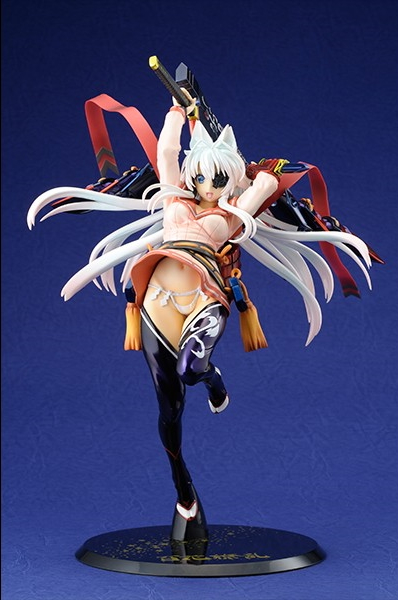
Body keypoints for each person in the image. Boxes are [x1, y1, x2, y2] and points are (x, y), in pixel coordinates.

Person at [27, 89, 375, 543]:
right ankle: (184, 493)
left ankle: (213, 380)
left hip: (204, 298)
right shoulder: (174, 198)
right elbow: (166, 152)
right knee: (169, 409)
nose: (208, 186)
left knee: (191, 370)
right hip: (155, 304)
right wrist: (178, 109)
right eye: (201, 177)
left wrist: (258, 174)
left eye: (218, 179)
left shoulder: (232, 215)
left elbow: (264, 187)